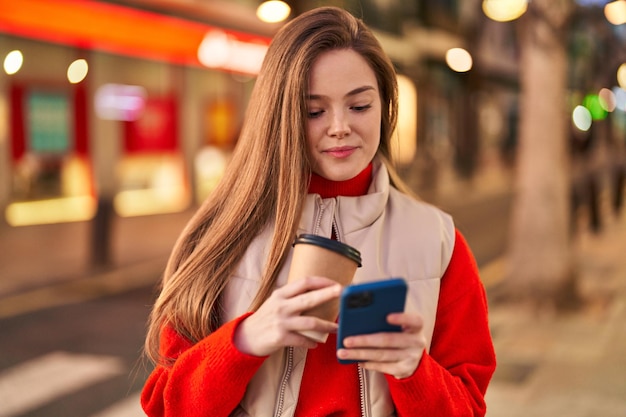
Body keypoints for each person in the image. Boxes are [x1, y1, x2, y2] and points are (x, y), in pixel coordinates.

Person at [141, 6, 496, 417]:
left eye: (360, 106)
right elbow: (166, 405)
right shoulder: (223, 234)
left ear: (384, 106)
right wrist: (246, 340)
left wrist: (414, 370)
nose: (340, 126)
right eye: (314, 111)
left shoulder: (438, 241)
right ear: (280, 116)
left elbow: (468, 407)